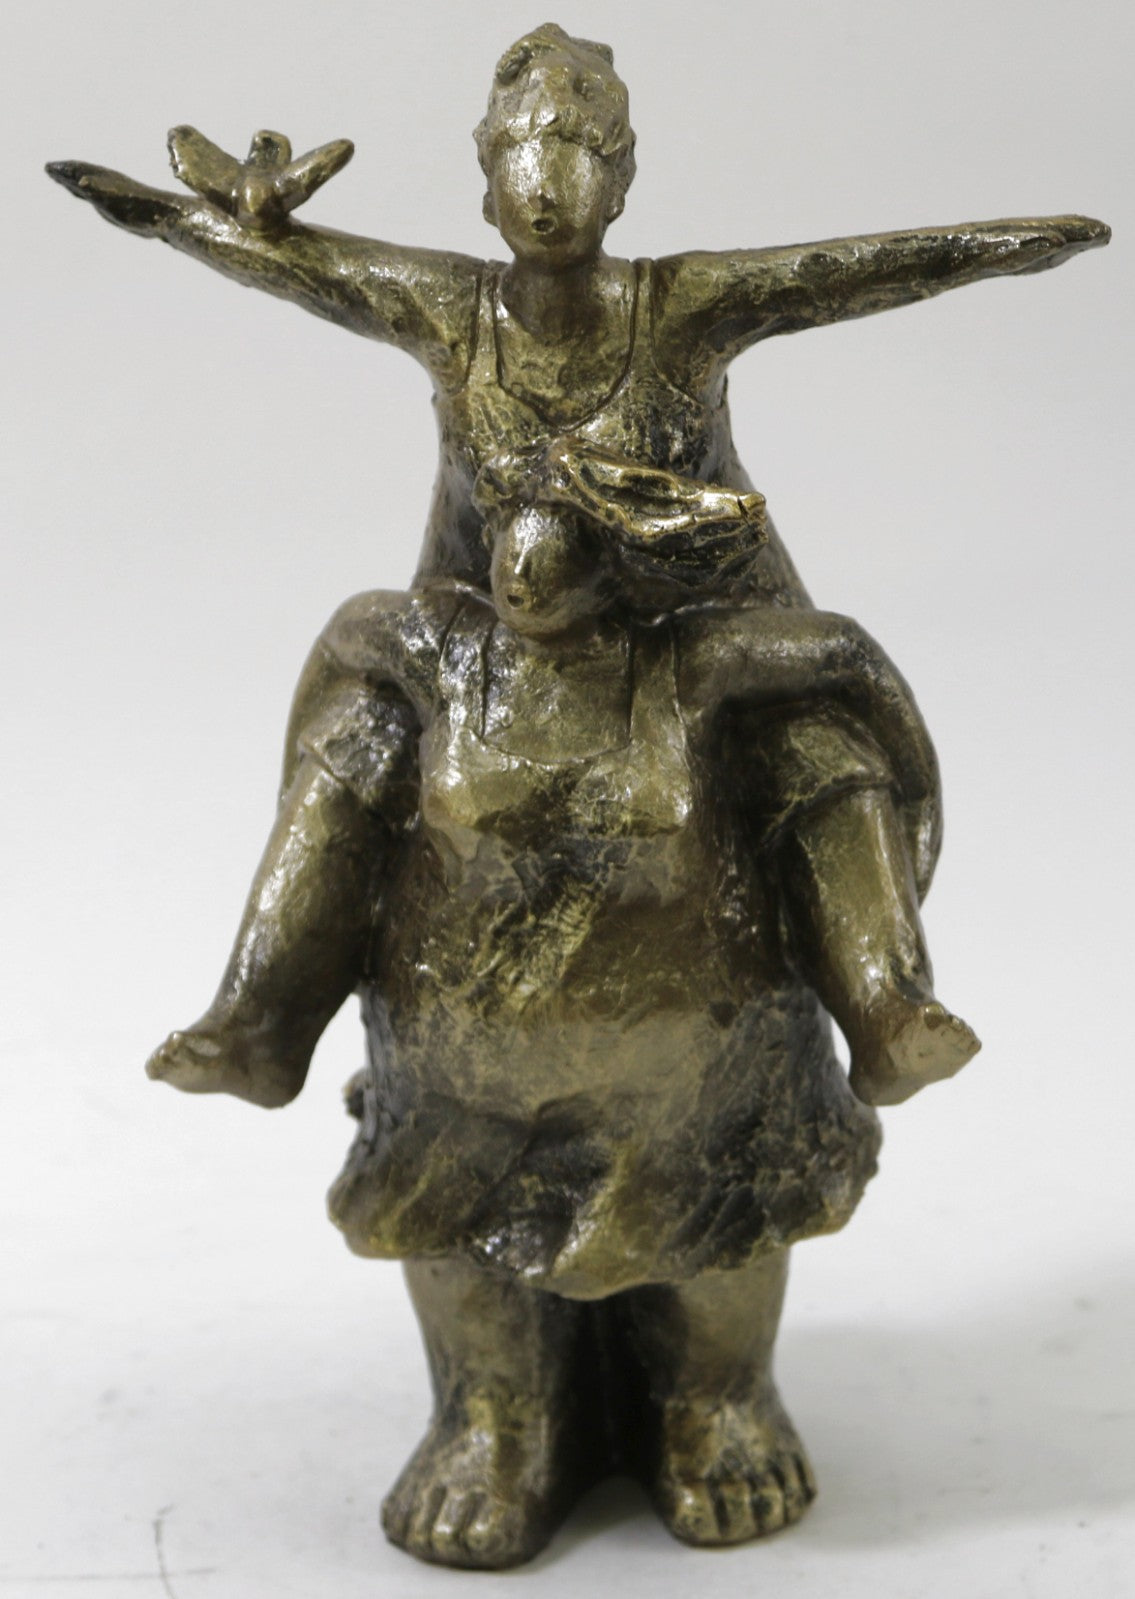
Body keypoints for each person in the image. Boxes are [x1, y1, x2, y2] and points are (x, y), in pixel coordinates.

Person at [47, 23, 1108, 1569]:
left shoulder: (682, 308)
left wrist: (1004, 245)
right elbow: (298, 270)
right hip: (478, 646)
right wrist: (178, 215)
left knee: (816, 756)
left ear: (622, 174)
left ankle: (880, 1016)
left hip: (692, 629)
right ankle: (264, 1024)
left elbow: (849, 273)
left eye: (580, 155)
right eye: (522, 157)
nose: (549, 186)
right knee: (354, 749)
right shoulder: (449, 309)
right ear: (484, 178)